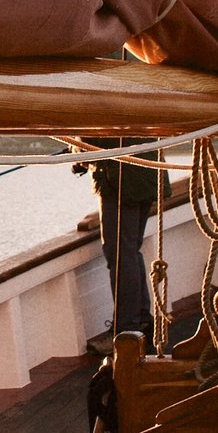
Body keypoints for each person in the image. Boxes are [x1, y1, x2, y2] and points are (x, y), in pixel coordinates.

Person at [78, 140, 160, 344]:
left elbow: (95, 138)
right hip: (145, 175)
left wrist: (77, 150)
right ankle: (141, 319)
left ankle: (126, 330)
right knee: (130, 250)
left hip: (120, 181)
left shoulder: (99, 109)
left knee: (121, 254)